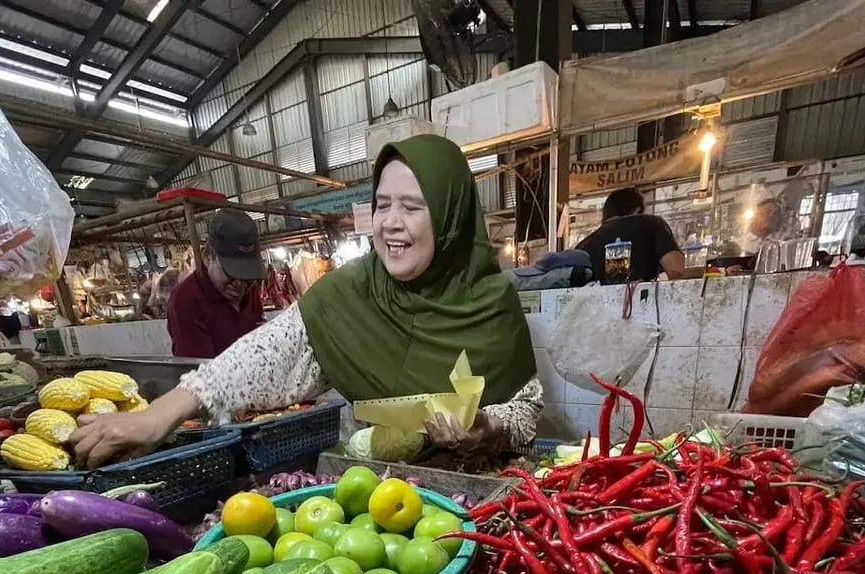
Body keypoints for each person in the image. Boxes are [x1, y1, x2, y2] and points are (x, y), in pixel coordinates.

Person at [70, 134, 542, 469]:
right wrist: (158, 415)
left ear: (451, 216)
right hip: (384, 501)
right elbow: (265, 353)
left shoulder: (493, 302)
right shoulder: (349, 293)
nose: (390, 223)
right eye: (382, 204)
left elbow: (526, 410)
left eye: (413, 207)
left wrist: (488, 424)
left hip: (486, 500)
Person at [166, 209, 266, 358]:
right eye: (230, 272)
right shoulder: (186, 299)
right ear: (207, 257)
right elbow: (198, 371)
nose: (239, 283)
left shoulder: (249, 289)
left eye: (247, 275)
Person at [575, 187, 685, 283]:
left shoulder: (584, 246)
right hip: (642, 303)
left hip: (595, 305)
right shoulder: (652, 224)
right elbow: (676, 270)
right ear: (637, 210)